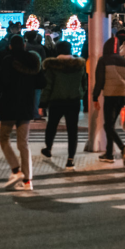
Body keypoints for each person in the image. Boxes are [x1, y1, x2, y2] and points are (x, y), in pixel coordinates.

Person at [0, 35, 42, 191]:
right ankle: (28, 180)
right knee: (23, 144)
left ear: (10, 46)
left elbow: (2, 84)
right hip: (26, 105)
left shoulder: (7, 60)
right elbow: (40, 82)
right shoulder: (32, 60)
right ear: (24, 45)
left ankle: (16, 169)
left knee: (4, 138)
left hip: (9, 104)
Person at [39, 41, 85, 170]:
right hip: (73, 101)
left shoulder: (52, 66)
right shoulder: (79, 65)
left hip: (56, 101)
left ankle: (48, 148)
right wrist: (80, 93)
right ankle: (70, 159)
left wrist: (42, 103)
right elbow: (84, 83)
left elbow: (48, 86)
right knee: (72, 130)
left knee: (52, 126)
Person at [92, 36, 125, 164]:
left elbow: (100, 80)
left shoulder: (103, 60)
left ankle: (122, 147)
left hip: (110, 94)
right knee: (111, 125)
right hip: (123, 94)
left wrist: (95, 96)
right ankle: (109, 154)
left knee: (107, 125)